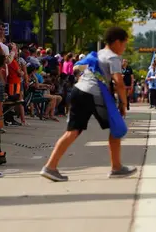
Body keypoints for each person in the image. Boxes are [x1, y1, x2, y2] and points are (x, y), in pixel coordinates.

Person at [40, 27, 136, 182]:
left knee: (73, 131)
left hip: (79, 90)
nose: (124, 48)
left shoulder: (99, 54)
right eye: (124, 44)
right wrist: (123, 104)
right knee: (115, 127)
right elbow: (118, 82)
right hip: (93, 94)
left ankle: (50, 166)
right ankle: (116, 167)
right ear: (117, 42)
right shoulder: (113, 57)